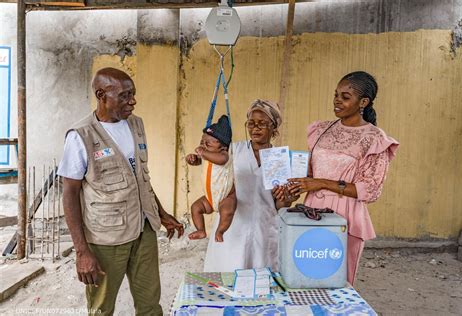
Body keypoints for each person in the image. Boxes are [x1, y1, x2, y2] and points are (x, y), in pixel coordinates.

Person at [58, 67, 184, 316]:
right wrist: (82, 252)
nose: (132, 101)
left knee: (150, 305)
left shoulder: (136, 124)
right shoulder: (81, 136)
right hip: (106, 238)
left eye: (133, 94)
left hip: (144, 230)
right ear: (101, 95)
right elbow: (69, 194)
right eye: (125, 96)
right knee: (102, 308)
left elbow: (139, 179)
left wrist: (161, 213)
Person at [277, 71, 399, 285]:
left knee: (337, 282)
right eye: (336, 95)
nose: (337, 100)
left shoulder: (374, 139)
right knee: (306, 276)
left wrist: (322, 183)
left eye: (345, 96)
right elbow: (311, 174)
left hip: (346, 217)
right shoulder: (321, 130)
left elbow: (370, 190)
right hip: (311, 212)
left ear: (363, 102)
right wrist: (295, 184)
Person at [203, 99, 292, 272]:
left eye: (262, 124)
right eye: (251, 123)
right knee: (227, 279)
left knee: (259, 283)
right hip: (232, 227)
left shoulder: (278, 158)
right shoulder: (233, 151)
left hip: (263, 229)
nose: (255, 128)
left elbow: (278, 204)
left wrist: (286, 199)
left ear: (274, 128)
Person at [185, 115, 237, 242]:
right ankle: (201, 230)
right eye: (202, 142)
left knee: (227, 212)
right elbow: (199, 161)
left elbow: (221, 160)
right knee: (195, 208)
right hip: (209, 198)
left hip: (226, 197)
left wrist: (203, 153)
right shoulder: (206, 155)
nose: (203, 145)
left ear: (223, 147)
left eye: (208, 143)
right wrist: (193, 159)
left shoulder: (223, 155)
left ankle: (220, 231)